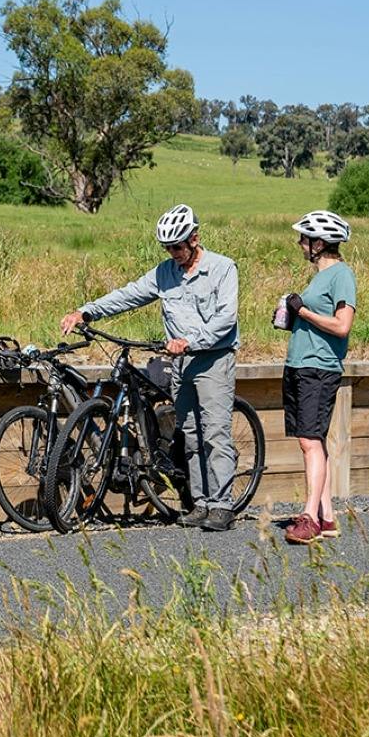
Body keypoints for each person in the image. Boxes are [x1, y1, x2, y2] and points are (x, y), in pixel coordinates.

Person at [60, 204, 241, 531]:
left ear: (195, 239)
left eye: (177, 247)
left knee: (214, 433)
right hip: (181, 363)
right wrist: (85, 312)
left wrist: (190, 340)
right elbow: (128, 295)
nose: (173, 254)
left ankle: (222, 506)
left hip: (213, 359)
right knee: (190, 434)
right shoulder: (164, 273)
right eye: (167, 248)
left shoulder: (223, 268)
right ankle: (200, 503)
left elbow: (226, 319)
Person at [274, 210, 357, 545]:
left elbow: (342, 325)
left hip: (319, 368)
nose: (300, 244)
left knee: (310, 441)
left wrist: (304, 311)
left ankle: (308, 517)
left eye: (304, 239)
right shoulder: (318, 278)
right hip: (299, 364)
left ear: (319, 243)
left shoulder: (341, 275)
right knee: (311, 440)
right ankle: (326, 517)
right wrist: (292, 319)